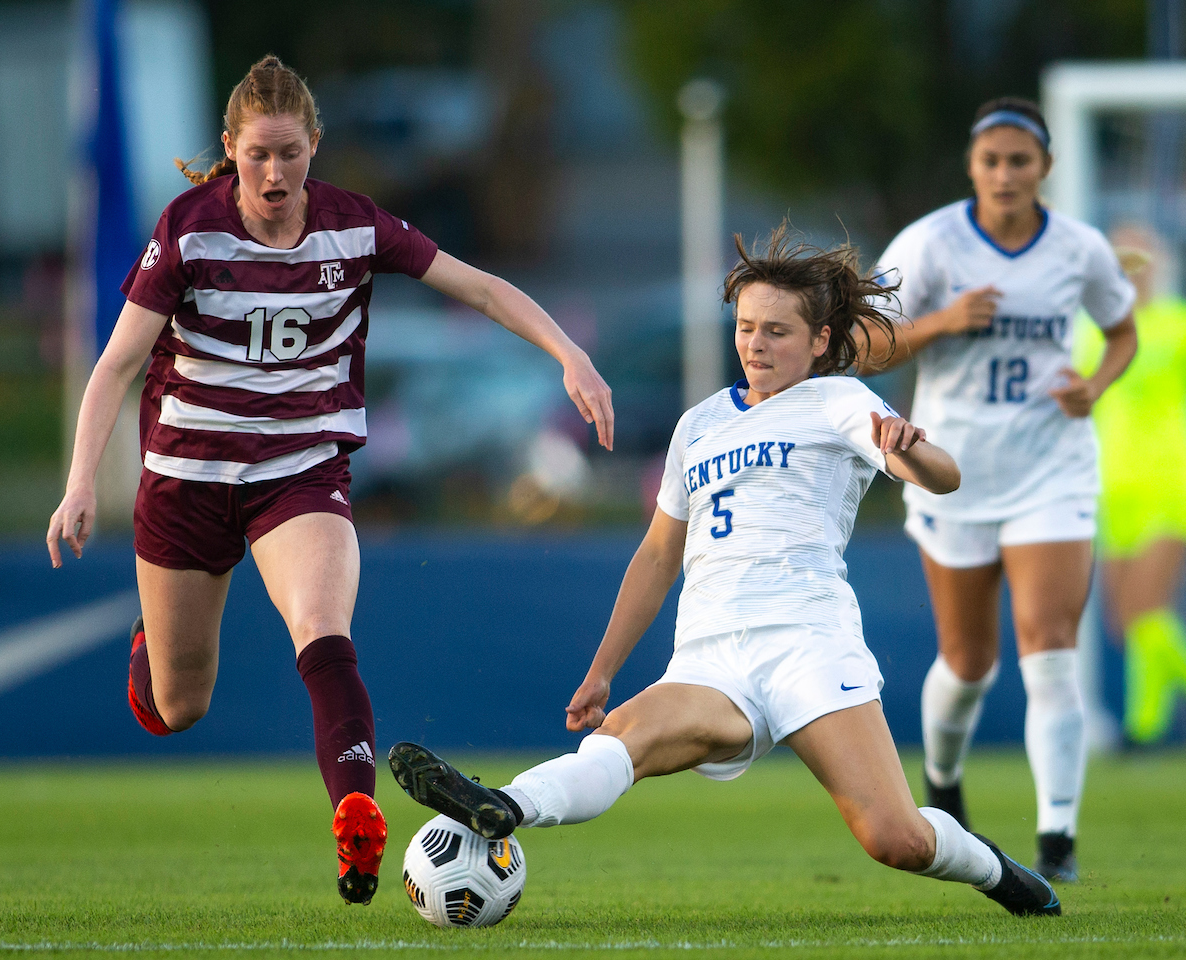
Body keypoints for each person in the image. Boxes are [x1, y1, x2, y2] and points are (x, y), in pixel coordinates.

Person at [45, 55, 614, 906]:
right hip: (185, 478)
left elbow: (483, 290)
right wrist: (81, 481)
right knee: (176, 705)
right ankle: (151, 643)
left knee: (321, 624)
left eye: (290, 154)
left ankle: (355, 812)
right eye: (257, 156)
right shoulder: (189, 228)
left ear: (315, 146)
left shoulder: (356, 226)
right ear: (230, 150)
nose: (274, 175)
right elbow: (118, 363)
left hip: (300, 471)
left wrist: (569, 353)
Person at [388, 225, 1062, 918]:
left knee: (897, 840)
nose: (756, 344)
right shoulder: (700, 424)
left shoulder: (841, 403)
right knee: (620, 741)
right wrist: (602, 669)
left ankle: (994, 869)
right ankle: (501, 805)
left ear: (821, 340)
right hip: (711, 657)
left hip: (808, 643)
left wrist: (914, 451)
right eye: (745, 327)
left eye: (776, 330)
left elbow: (944, 476)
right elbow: (656, 556)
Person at [860, 97, 1138, 882]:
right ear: (972, 168)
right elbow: (864, 342)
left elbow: (1122, 330)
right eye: (992, 161)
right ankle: (944, 785)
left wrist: (1096, 385)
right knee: (969, 662)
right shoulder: (931, 243)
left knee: (1050, 650)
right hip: (954, 474)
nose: (1007, 174)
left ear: (1045, 166)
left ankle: (1058, 842)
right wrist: (942, 322)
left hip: (1052, 470)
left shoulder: (1080, 248)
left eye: (1021, 160)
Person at [1076, 225, 1186, 745]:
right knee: (1126, 623)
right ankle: (1148, 726)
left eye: (1141, 261)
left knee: (1147, 609)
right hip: (1109, 487)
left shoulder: (1176, 324)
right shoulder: (1089, 332)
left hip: (1169, 482)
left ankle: (1145, 729)